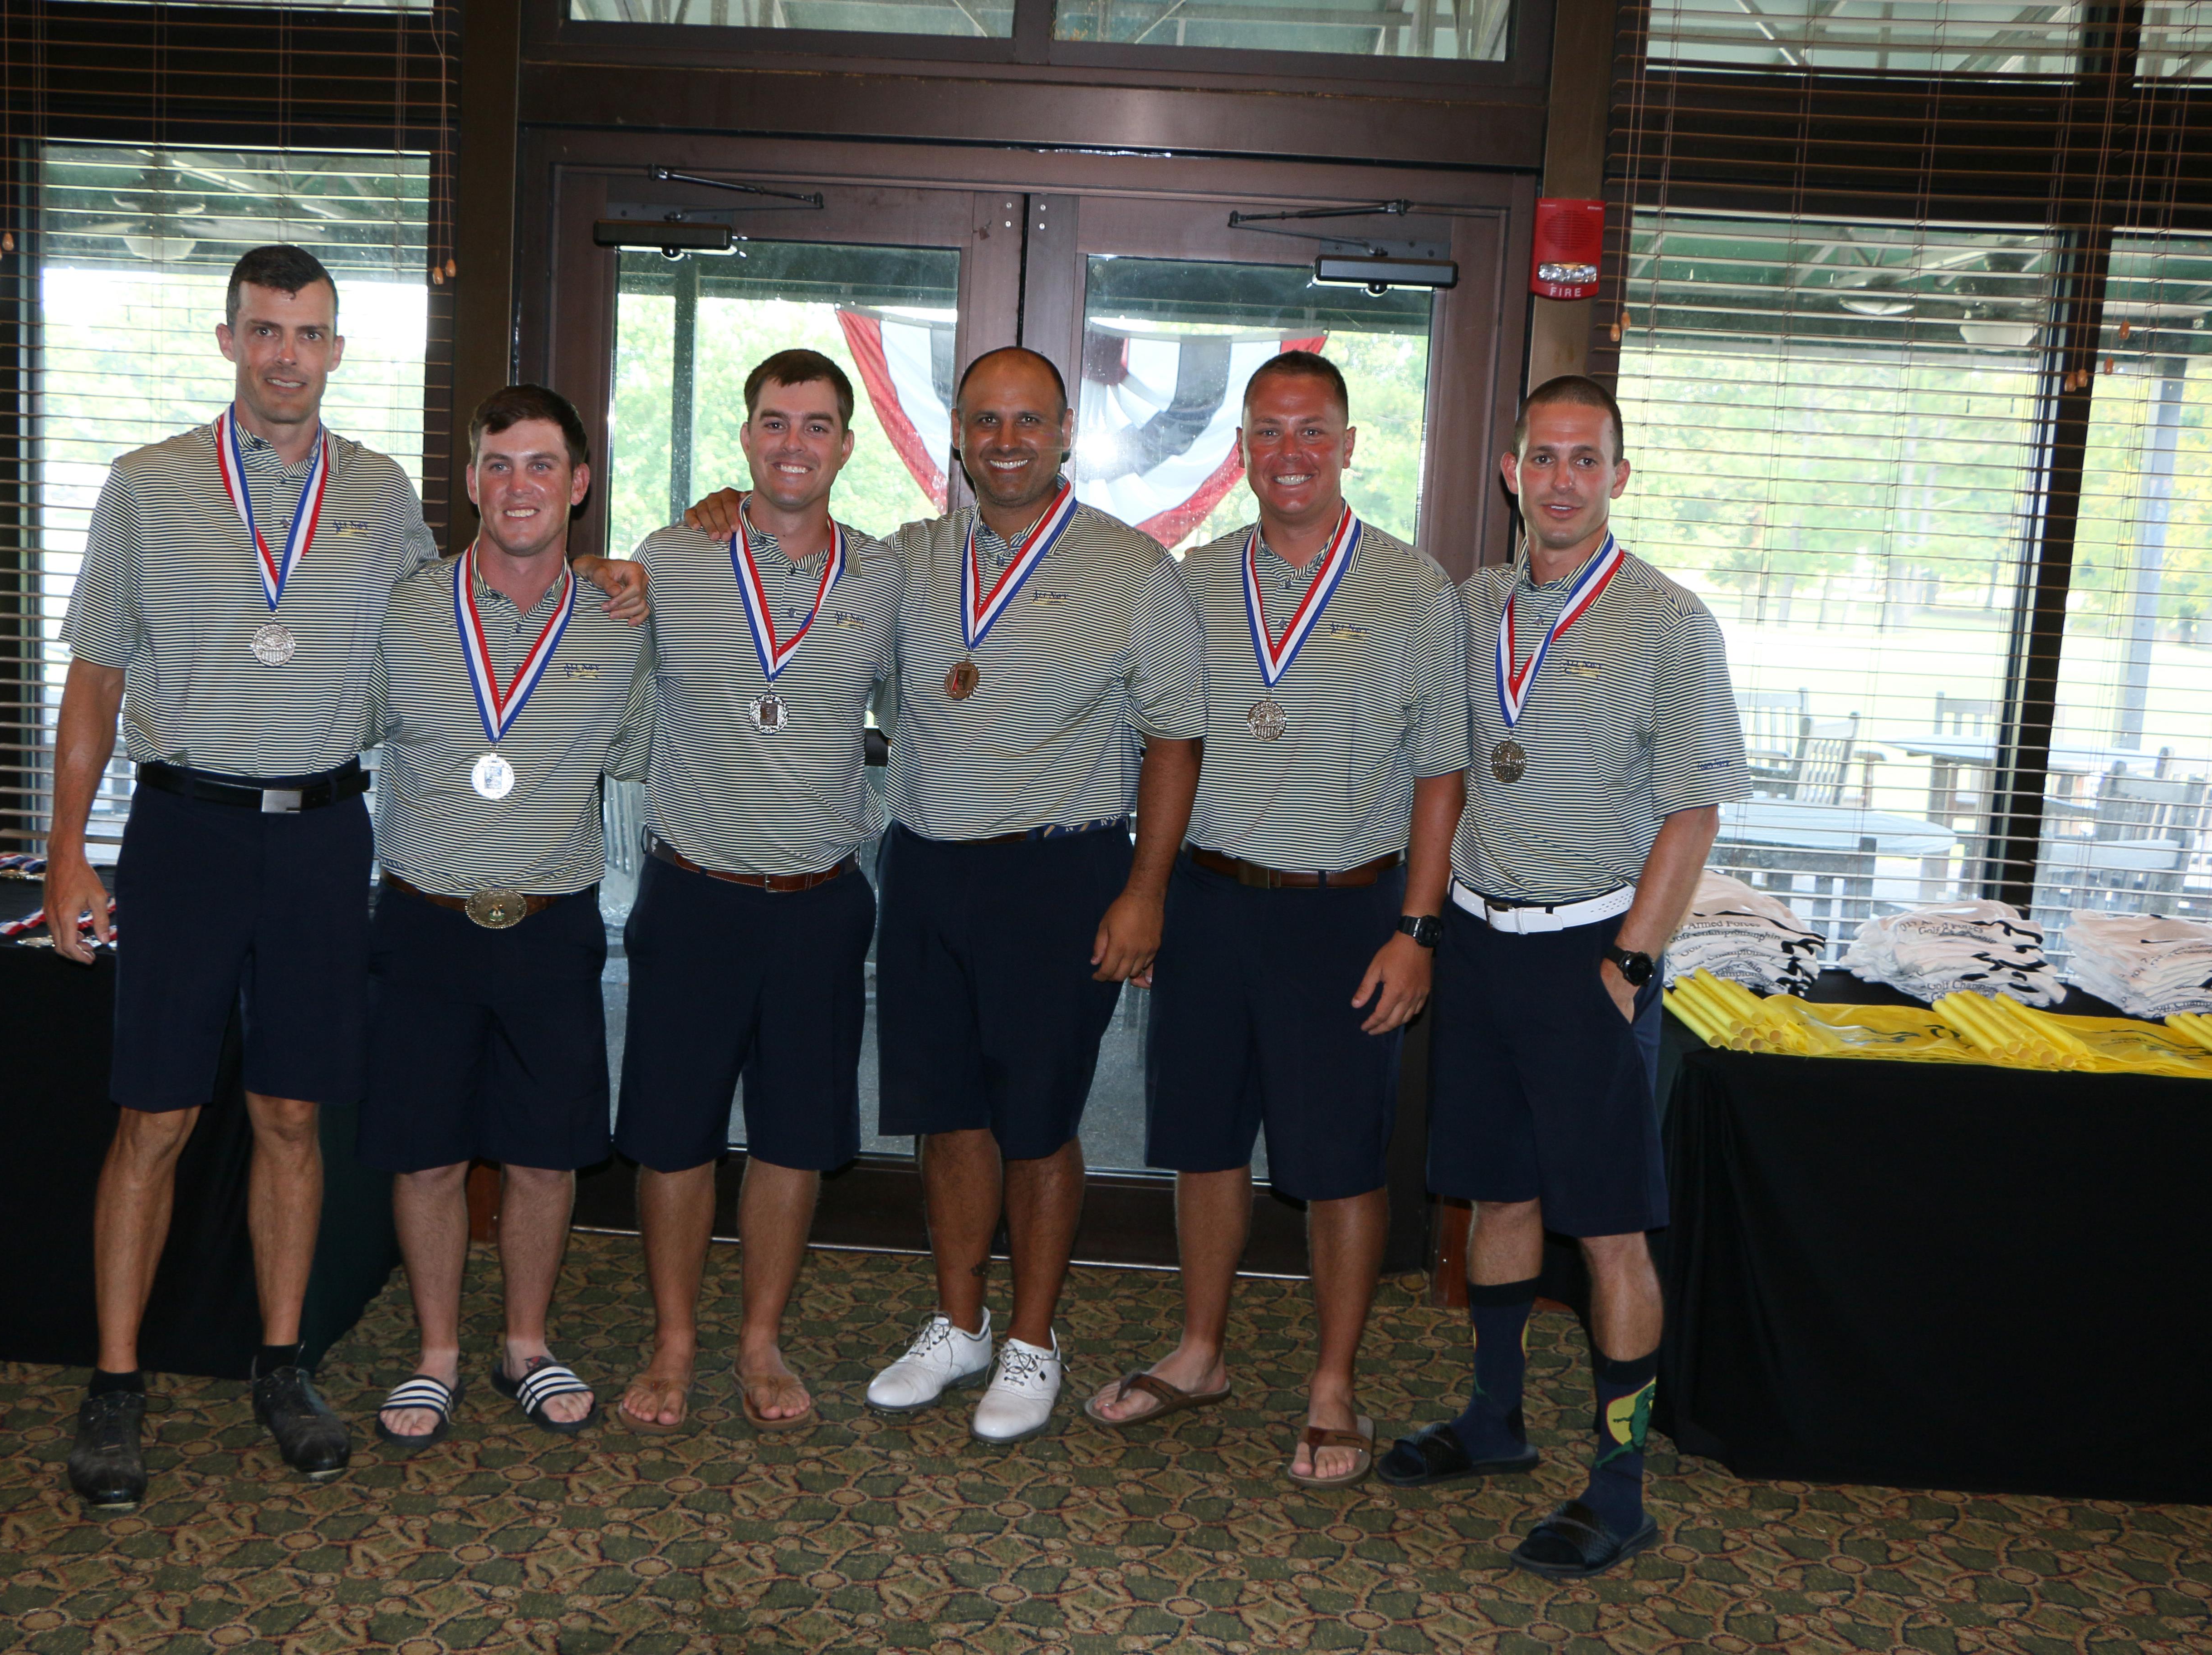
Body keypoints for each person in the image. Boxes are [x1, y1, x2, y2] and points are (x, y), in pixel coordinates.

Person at [47, 248, 646, 1513]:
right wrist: (65, 851)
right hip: (186, 829)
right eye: (263, 331)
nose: (284, 355)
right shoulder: (149, 484)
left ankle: (282, 1365)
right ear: (228, 343)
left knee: (293, 1119)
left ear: (335, 350)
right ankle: (114, 1384)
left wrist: (604, 575)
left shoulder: (378, 494)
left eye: (308, 333)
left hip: (324, 838)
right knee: (152, 1120)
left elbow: (468, 604)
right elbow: (96, 675)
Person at [691, 344, 1205, 1444]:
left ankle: (1032, 1341)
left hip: (1061, 872)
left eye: (1028, 420)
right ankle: (959, 1322)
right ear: (957, 436)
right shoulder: (908, 561)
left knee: (1039, 1123)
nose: (1006, 440)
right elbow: (800, 565)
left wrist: (1146, 889)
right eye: (984, 420)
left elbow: (1174, 737)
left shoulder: (1133, 569)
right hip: (925, 866)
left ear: (1067, 432)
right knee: (947, 1114)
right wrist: (720, 511)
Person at [1378, 375, 1746, 1578]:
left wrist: (1632, 962)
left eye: (1588, 461)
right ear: (1510, 469)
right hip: (1483, 945)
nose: (1563, 481)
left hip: (1595, 956)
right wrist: (1426, 933)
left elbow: (1692, 814)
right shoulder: (1474, 603)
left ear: (1619, 478)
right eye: (1545, 457)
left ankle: (1623, 1484)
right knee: (1495, 1202)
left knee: (1609, 1236)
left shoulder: (1668, 621)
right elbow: (1447, 772)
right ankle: (1494, 1423)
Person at [1080, 350, 1466, 1489]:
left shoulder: (1415, 589)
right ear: (1240, 448)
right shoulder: (1192, 581)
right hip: (1207, 902)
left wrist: (1420, 929)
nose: (1288, 453)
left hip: (1344, 914)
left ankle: (1333, 1385)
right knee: (1204, 1145)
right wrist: (1147, 890)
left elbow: (1443, 771)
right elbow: (1169, 741)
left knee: (1340, 1166)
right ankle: (1201, 1352)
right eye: (1266, 433)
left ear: (1349, 445)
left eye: (1311, 432)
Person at [606, 349, 901, 1436]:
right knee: (675, 1136)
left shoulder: (884, 577)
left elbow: (934, 705)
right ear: (745, 438)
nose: (794, 445)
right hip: (695, 895)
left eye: (817, 426)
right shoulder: (671, 558)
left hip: (822, 900)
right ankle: (676, 1342)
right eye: (774, 423)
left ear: (847, 446)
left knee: (792, 1136)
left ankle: (759, 1341)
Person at [363, 386, 649, 1450]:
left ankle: (525, 1343)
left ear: (578, 486)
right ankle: (436, 1353)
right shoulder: (402, 608)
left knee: (543, 1154)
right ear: (472, 480)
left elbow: (647, 749)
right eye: (498, 464)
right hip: (424, 920)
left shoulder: (627, 621)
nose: (517, 485)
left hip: (549, 922)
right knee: (428, 1152)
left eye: (541, 466)